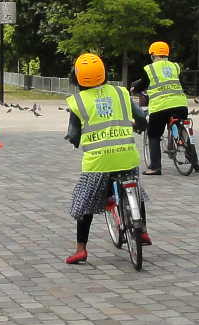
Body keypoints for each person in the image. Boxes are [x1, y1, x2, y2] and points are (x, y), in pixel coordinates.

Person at [62, 53, 151, 264]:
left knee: (84, 204)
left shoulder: (78, 102)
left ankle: (81, 249)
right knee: (135, 188)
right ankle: (143, 230)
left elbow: (74, 135)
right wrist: (139, 127)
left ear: (76, 78)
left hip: (97, 163)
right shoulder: (120, 92)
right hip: (127, 156)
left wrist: (75, 141)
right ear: (103, 73)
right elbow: (141, 118)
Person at [129, 41, 199, 175]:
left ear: (153, 55)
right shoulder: (175, 67)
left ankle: (155, 167)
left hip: (160, 107)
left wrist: (134, 89)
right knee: (183, 128)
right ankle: (194, 161)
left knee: (154, 134)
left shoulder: (149, 69)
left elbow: (142, 84)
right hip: (180, 104)